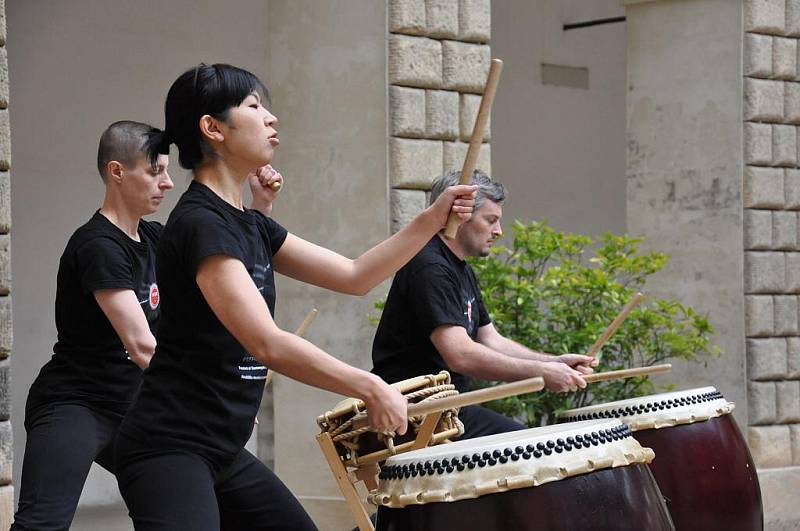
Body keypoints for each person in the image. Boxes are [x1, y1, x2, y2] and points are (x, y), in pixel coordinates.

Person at [112, 63, 477, 531]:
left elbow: (355, 275)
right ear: (212, 128)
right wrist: (369, 386)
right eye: (253, 106)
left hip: (220, 447)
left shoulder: (253, 224)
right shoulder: (201, 223)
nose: (271, 118)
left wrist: (431, 219)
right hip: (169, 446)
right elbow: (266, 343)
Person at [11, 121, 175, 530]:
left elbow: (221, 273)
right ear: (117, 171)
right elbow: (142, 346)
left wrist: (260, 207)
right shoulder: (97, 245)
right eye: (155, 171)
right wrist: (201, 393)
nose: (167, 183)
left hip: (134, 405)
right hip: (76, 403)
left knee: (178, 509)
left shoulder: (155, 239)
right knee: (42, 524)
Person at [371, 170, 597, 440]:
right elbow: (460, 354)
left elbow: (491, 340)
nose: (499, 231)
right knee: (529, 448)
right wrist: (542, 373)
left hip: (448, 411)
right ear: (459, 214)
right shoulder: (429, 266)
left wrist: (554, 362)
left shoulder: (460, 269)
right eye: (491, 220)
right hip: (415, 416)